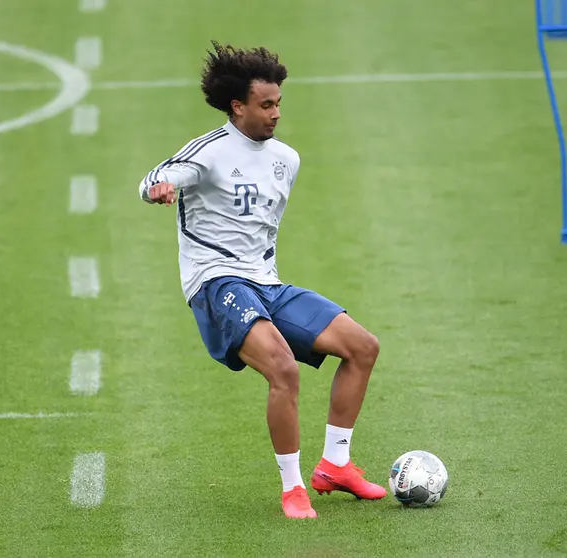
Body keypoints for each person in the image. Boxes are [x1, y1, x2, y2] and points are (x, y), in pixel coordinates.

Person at [138, 41, 386, 519]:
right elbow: (157, 176)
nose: (275, 113)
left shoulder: (286, 159)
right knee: (283, 369)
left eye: (278, 104)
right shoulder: (208, 153)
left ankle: (336, 465)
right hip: (215, 283)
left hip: (265, 284)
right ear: (238, 106)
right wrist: (160, 189)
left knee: (362, 347)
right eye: (266, 104)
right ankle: (292, 489)